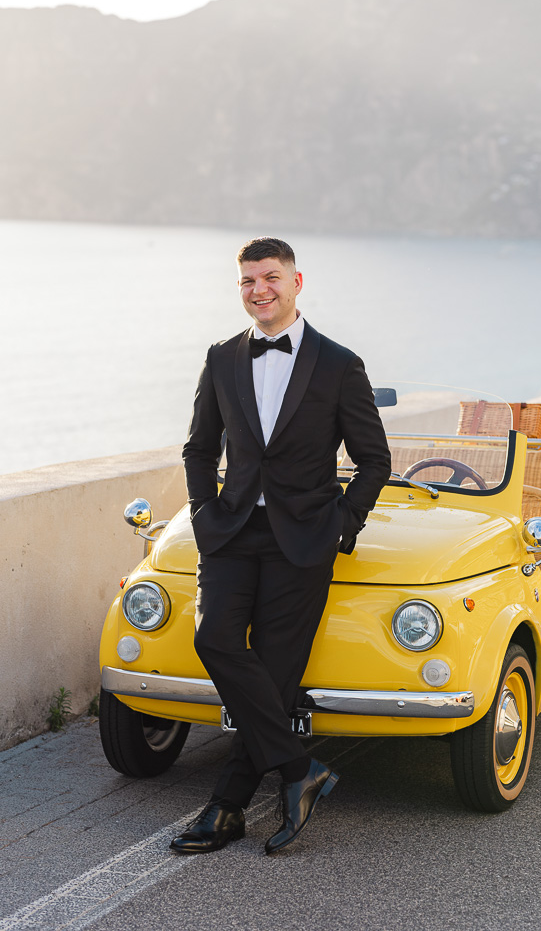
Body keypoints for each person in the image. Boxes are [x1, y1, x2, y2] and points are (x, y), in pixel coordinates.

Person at [170, 237, 391, 856]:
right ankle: (299, 769)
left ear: (296, 282)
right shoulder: (221, 358)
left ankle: (226, 808)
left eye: (270, 277)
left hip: (305, 538)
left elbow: (374, 460)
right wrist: (204, 512)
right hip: (232, 531)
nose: (259, 290)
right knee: (213, 639)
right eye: (248, 280)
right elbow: (198, 448)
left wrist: (342, 523)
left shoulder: (339, 364)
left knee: (273, 673)